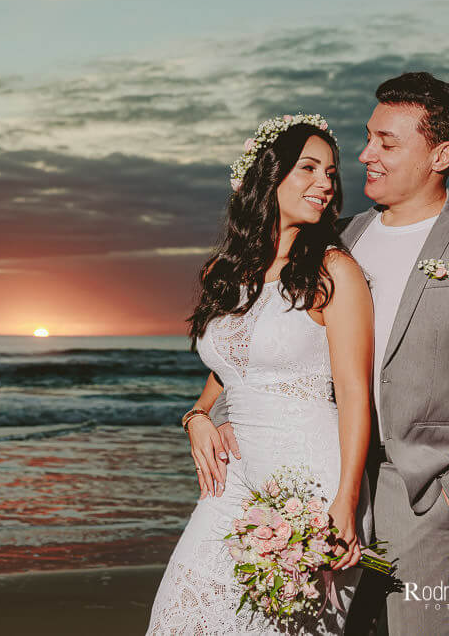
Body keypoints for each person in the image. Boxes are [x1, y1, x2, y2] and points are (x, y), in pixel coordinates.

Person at [197, 73, 449, 636]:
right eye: (368, 137)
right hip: (323, 479)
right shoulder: (340, 238)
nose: (365, 155)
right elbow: (266, 342)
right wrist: (209, 414)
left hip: (421, 496)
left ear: (441, 154)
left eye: (387, 142)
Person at [147, 114, 375, 635]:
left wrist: (343, 502)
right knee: (180, 615)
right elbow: (231, 370)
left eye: (331, 173)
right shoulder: (223, 274)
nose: (326, 184)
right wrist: (197, 417)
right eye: (309, 168)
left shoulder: (333, 271)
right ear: (268, 178)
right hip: (232, 482)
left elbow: (356, 397)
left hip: (310, 480)